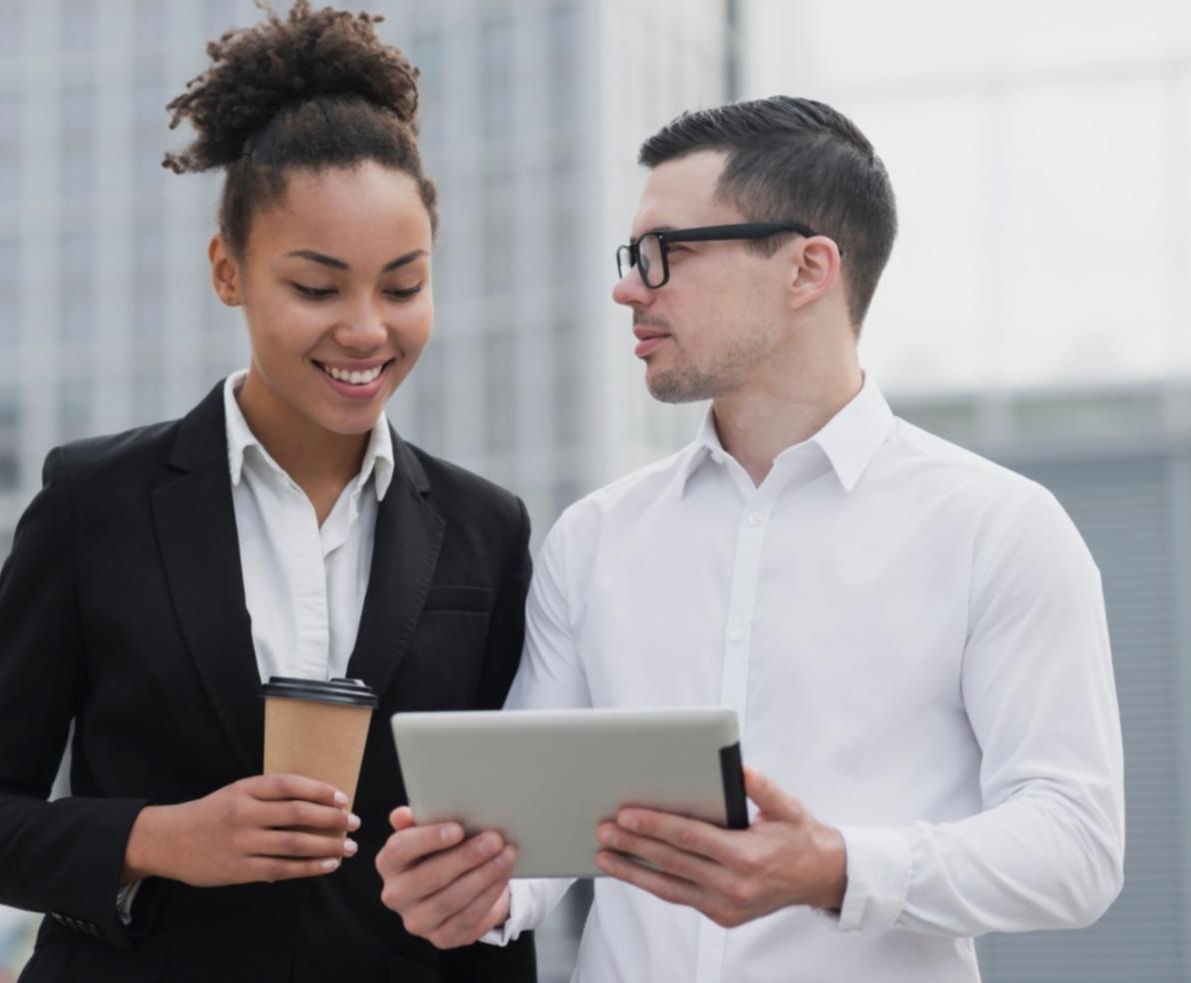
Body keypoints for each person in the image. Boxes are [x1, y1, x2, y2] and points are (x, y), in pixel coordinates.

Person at [375, 96, 1124, 982]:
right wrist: (482, 888)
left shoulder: (998, 529)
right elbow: (541, 831)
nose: (628, 287)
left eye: (667, 254)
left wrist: (839, 866)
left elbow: (1077, 846)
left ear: (807, 268)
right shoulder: (595, 539)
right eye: (631, 256)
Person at [0, 5, 537, 982]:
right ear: (228, 271)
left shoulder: (486, 528)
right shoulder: (94, 502)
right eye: (319, 287)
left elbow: (511, 847)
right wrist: (159, 837)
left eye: (404, 285)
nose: (368, 328)